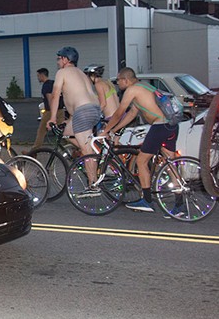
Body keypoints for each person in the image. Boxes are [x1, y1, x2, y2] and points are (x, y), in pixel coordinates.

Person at [101, 67, 180, 213]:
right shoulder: (144, 86)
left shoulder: (132, 90)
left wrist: (105, 131)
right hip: (171, 125)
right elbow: (131, 114)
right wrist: (114, 130)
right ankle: (180, 205)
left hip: (159, 126)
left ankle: (147, 201)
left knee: (141, 161)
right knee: (170, 164)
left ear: (126, 80)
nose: (118, 84)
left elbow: (119, 113)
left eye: (119, 80)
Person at [47, 47, 102, 192]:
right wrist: (70, 119)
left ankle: (93, 185)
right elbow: (76, 96)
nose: (58, 62)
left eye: (59, 59)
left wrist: (52, 117)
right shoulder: (81, 74)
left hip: (83, 112)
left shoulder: (62, 73)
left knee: (86, 150)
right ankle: (94, 151)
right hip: (93, 110)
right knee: (65, 131)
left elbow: (55, 95)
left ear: (66, 59)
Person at [23, 68, 66, 155]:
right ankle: (74, 149)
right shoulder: (53, 83)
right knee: (63, 131)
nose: (38, 78)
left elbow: (50, 98)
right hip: (61, 110)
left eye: (38, 76)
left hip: (50, 111)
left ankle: (33, 152)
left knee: (41, 132)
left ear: (42, 75)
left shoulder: (46, 86)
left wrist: (51, 114)